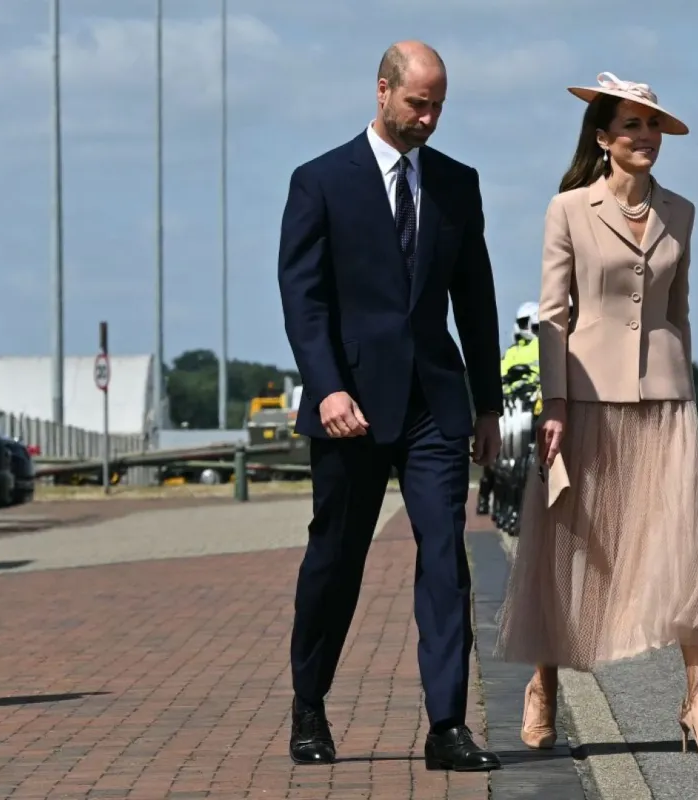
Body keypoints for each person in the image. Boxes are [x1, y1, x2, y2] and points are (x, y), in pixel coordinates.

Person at [276, 40, 503, 771]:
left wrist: (489, 405)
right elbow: (303, 300)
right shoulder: (320, 182)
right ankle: (309, 707)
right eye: (417, 103)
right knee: (335, 560)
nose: (429, 118)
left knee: (445, 559)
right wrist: (328, 385)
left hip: (436, 403)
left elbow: (476, 301)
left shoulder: (458, 185)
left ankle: (446, 727)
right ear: (382, 91)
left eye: (439, 105)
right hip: (351, 404)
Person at [494, 72, 698, 756]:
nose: (644, 138)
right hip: (584, 402)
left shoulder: (681, 213)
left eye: (652, 126)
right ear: (603, 139)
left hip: (666, 403)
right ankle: (545, 688)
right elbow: (552, 317)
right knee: (568, 547)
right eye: (630, 127)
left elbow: (678, 312)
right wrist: (555, 403)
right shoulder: (567, 209)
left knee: (687, 547)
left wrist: (684, 389)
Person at [476, 302, 540, 516]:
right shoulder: (511, 353)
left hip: (535, 404)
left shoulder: (543, 348)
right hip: (512, 406)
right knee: (500, 456)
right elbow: (499, 377)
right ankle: (488, 497)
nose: (530, 327)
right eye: (526, 323)